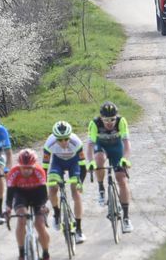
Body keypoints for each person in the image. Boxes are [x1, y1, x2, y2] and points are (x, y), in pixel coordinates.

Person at [85, 101, 133, 234]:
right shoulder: (95, 123)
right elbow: (90, 146)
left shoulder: (121, 121)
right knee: (99, 159)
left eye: (112, 119)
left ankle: (126, 218)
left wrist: (125, 159)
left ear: (116, 117)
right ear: (101, 118)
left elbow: (127, 144)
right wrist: (90, 162)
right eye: (106, 120)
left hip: (117, 148)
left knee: (122, 179)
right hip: (102, 147)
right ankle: (101, 188)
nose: (109, 123)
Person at [4, 149, 54, 260]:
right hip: (21, 195)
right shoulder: (13, 172)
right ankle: (21, 255)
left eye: (29, 168)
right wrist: (8, 208)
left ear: (34, 165)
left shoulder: (39, 171)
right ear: (19, 165)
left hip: (37, 195)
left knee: (40, 225)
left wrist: (43, 206)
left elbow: (43, 194)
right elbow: (10, 194)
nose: (26, 171)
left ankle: (46, 258)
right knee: (21, 218)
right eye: (23, 168)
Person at [42, 121, 86, 243]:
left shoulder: (76, 142)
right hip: (58, 163)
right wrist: (43, 185)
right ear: (55, 138)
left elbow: (83, 167)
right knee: (52, 188)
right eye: (60, 140)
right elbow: (44, 168)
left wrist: (80, 182)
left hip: (74, 163)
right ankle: (57, 213)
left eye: (66, 139)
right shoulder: (49, 143)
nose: (64, 142)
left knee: (76, 192)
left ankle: (79, 229)